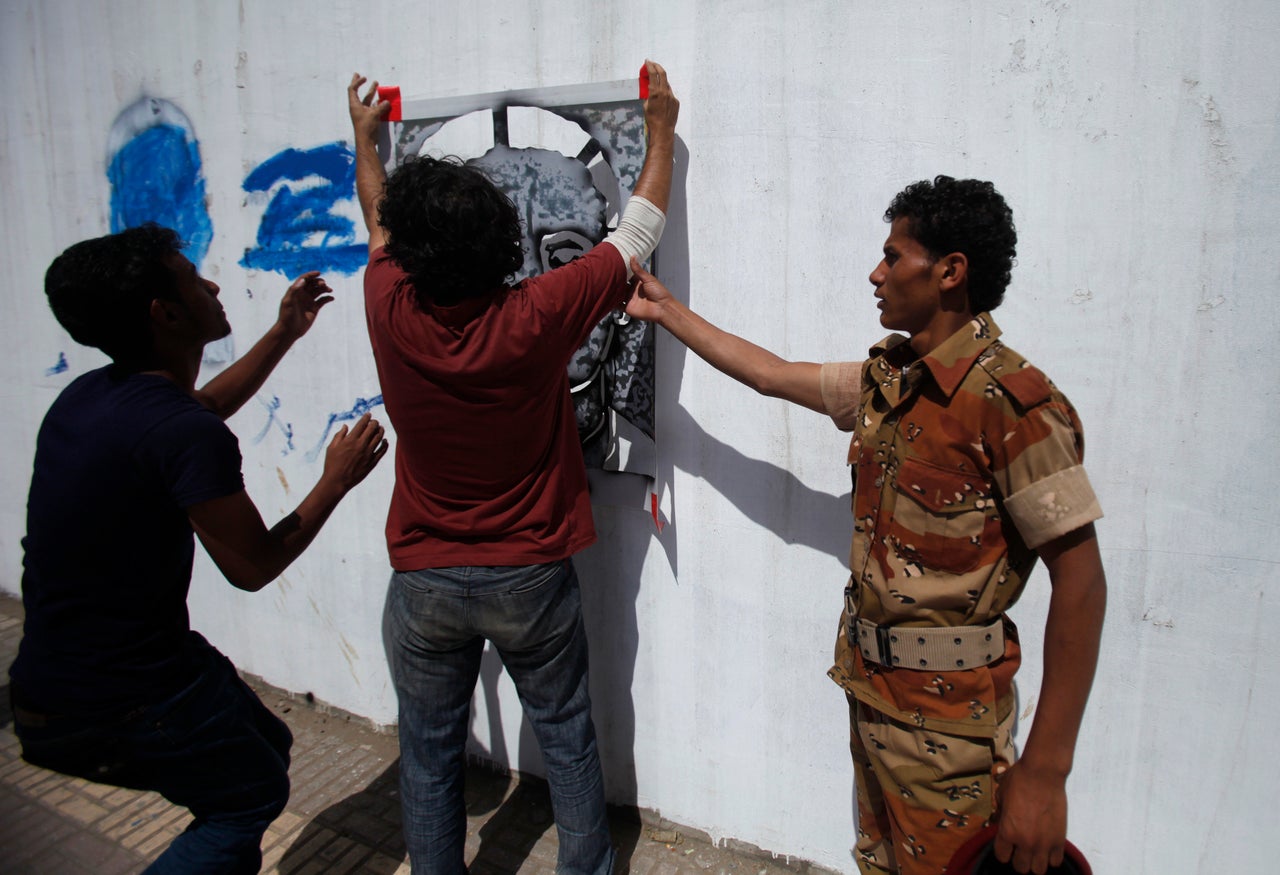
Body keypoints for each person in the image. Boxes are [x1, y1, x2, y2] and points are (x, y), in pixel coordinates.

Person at [624, 176, 1107, 875]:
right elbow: (770, 373)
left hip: (950, 734)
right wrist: (669, 313)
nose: (875, 274)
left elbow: (1082, 582)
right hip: (871, 695)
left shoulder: (1012, 403)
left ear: (949, 271)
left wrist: (1045, 771)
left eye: (893, 256)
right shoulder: (892, 380)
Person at [346, 61, 678, 875]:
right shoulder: (535, 314)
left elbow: (377, 220)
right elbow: (636, 234)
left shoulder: (388, 301)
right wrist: (661, 128)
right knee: (565, 734)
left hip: (423, 574)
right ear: (503, 243)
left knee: (426, 756)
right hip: (528, 570)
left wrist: (363, 140)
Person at [9, 223, 389, 875]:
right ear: (166, 312)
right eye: (193, 279)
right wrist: (337, 479)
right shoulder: (178, 430)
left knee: (264, 743)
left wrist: (283, 333)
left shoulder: (92, 399)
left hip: (55, 676)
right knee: (249, 797)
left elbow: (200, 408)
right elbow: (252, 565)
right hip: (119, 695)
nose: (213, 285)